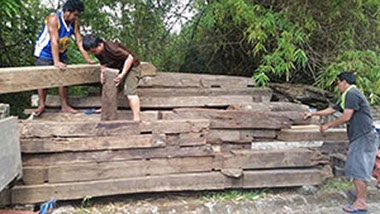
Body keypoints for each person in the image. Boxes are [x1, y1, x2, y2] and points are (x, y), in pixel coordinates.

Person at [304, 72, 379, 213]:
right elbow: (333, 109)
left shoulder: (352, 94)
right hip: (361, 136)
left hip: (364, 136)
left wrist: (328, 126)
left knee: (357, 168)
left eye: (338, 82)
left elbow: (346, 116)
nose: (337, 86)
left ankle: (361, 202)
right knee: (355, 167)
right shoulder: (348, 95)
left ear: (344, 82)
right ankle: (359, 195)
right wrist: (313, 114)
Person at [34, 0, 95, 115]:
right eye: (75, 14)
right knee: (43, 78)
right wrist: (56, 62)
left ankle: (64, 105)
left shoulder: (75, 23)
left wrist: (88, 59)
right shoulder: (53, 19)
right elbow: (54, 41)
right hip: (45, 51)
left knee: (64, 77)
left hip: (61, 51)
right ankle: (41, 105)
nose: (76, 17)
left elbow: (79, 42)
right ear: (67, 12)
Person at [82, 34, 141, 121]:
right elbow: (103, 63)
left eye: (94, 51)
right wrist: (102, 74)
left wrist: (122, 75)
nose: (93, 54)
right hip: (119, 68)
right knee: (110, 87)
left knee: (130, 92)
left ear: (100, 45)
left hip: (132, 67)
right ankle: (105, 109)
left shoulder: (112, 48)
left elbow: (130, 58)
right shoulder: (98, 51)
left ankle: (137, 119)